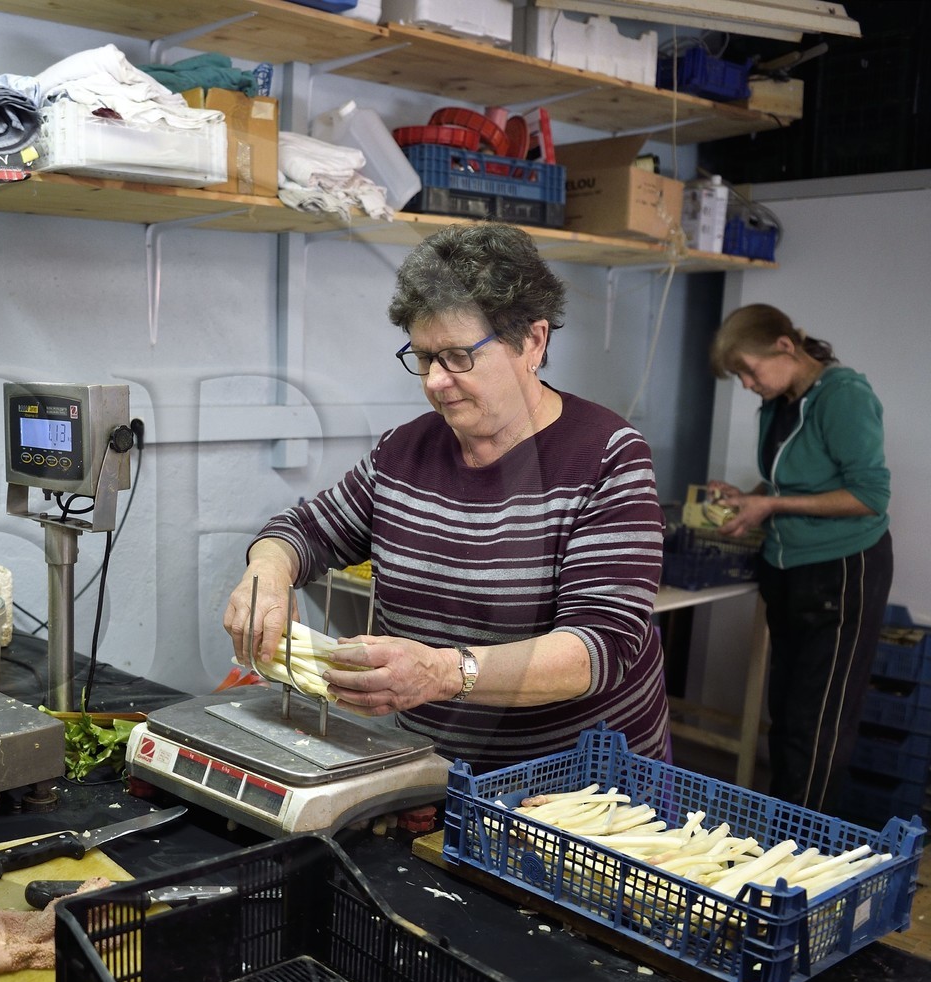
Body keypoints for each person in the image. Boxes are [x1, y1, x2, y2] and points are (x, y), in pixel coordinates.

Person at [223, 222, 670, 772]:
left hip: (574, 789)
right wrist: (265, 574)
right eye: (424, 357)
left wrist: (440, 673)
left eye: (458, 356)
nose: (435, 381)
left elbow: (597, 648)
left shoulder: (607, 457)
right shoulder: (406, 450)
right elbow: (305, 531)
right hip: (435, 772)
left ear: (533, 342)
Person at [707, 303, 892, 815]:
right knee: (787, 713)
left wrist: (772, 504)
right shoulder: (781, 398)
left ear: (785, 347)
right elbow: (793, 480)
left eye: (749, 369)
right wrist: (750, 498)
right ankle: (783, 829)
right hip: (788, 572)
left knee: (818, 721)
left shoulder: (843, 396)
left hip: (840, 572)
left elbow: (869, 495)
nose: (746, 383)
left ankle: (799, 848)